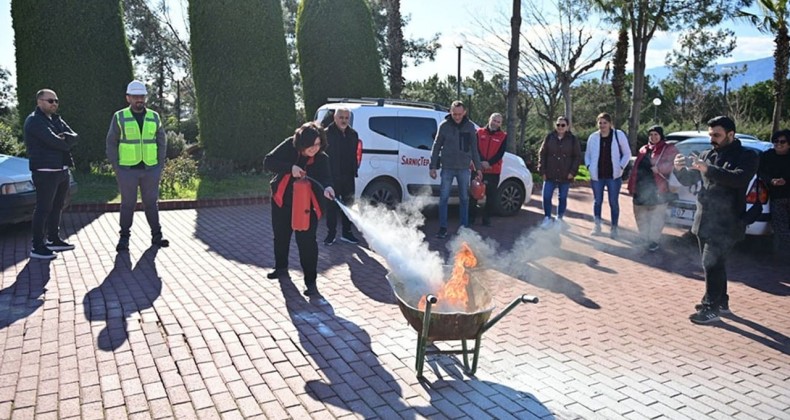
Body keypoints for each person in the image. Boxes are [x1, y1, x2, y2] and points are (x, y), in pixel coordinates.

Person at [673, 116, 758, 325]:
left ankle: (711, 308)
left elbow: (739, 178)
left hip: (727, 222)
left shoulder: (747, 155)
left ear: (731, 134)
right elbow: (690, 180)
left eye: (717, 135)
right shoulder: (707, 154)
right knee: (716, 264)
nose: (713, 139)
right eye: (710, 135)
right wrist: (679, 170)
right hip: (704, 220)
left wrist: (708, 169)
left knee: (710, 263)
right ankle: (722, 302)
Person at [264, 122, 335, 296]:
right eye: (311, 145)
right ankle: (281, 268)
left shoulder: (321, 158)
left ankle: (310, 283)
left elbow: (326, 179)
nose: (314, 149)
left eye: (318, 144)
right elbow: (268, 161)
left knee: (307, 243)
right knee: (281, 236)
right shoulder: (289, 145)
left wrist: (328, 188)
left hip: (306, 207)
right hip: (282, 202)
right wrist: (290, 168)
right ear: (302, 143)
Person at [106, 80, 169, 252]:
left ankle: (157, 236)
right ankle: (124, 238)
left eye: (141, 96)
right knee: (128, 204)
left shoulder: (154, 117)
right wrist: (116, 166)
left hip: (151, 169)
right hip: (127, 170)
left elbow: (162, 140)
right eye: (135, 96)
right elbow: (111, 142)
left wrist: (159, 164)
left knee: (151, 203)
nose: (138, 99)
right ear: (128, 98)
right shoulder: (119, 116)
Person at [23, 89, 78, 259]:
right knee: (43, 208)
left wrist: (64, 138)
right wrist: (62, 140)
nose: (54, 104)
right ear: (39, 102)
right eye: (50, 100)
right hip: (45, 172)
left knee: (57, 206)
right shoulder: (34, 121)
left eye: (56, 101)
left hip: (61, 170)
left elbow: (74, 137)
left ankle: (54, 239)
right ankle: (37, 246)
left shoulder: (56, 119)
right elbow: (55, 142)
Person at [429, 101, 482, 239]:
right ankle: (443, 228)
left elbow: (475, 149)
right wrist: (432, 166)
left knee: (464, 198)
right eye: (454, 114)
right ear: (450, 112)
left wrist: (478, 168)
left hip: (464, 168)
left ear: (464, 112)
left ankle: (464, 228)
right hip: (447, 167)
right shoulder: (444, 126)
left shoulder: (470, 127)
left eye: (459, 114)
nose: (457, 117)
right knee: (443, 198)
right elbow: (436, 146)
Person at [627, 125, 679, 251]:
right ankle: (644, 237)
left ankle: (654, 240)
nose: (653, 137)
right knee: (640, 213)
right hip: (641, 187)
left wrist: (660, 168)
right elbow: (635, 168)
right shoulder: (644, 149)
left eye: (656, 134)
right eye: (651, 134)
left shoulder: (669, 148)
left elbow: (675, 164)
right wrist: (631, 185)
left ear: (661, 135)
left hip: (658, 188)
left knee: (657, 216)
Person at [584, 112, 631, 238]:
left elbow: (627, 153)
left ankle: (614, 228)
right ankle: (597, 225)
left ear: (610, 123)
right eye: (600, 123)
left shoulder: (618, 135)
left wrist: (621, 166)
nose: (602, 125)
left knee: (613, 202)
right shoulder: (593, 137)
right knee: (597, 201)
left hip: (613, 176)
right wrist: (589, 166)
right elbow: (587, 155)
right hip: (597, 176)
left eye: (605, 122)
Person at [323, 107, 361, 245]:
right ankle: (331, 234)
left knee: (349, 205)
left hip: (348, 176)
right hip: (332, 176)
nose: (344, 120)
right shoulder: (326, 134)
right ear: (335, 117)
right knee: (331, 207)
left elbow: (354, 155)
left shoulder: (353, 134)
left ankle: (347, 233)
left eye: (346, 118)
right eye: (341, 117)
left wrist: (354, 170)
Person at [538, 116, 581, 229]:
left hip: (565, 173)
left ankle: (559, 218)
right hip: (550, 173)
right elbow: (542, 154)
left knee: (562, 198)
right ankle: (547, 217)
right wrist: (542, 170)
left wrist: (572, 172)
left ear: (567, 126)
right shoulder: (549, 137)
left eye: (563, 125)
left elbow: (577, 157)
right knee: (546, 196)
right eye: (558, 125)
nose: (560, 127)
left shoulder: (572, 139)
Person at [469, 113, 507, 227]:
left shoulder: (503, 136)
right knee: (474, 195)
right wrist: (481, 162)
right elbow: (474, 148)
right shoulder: (479, 132)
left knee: (491, 196)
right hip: (478, 169)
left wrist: (489, 163)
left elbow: (501, 153)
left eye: (498, 122)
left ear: (501, 124)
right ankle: (471, 219)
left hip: (493, 170)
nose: (495, 123)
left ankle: (486, 219)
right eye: (494, 120)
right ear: (489, 119)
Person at [758, 129, 790, 257]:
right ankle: (783, 256)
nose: (779, 144)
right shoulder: (767, 156)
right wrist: (771, 181)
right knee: (780, 228)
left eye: (783, 141)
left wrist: (786, 180)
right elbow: (759, 172)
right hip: (777, 197)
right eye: (776, 141)